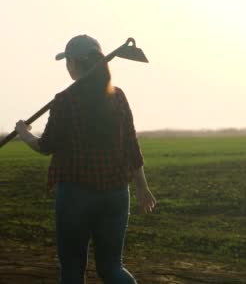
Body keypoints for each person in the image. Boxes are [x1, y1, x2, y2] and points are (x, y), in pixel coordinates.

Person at [15, 35, 156, 284]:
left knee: (72, 269)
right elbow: (131, 147)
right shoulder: (118, 97)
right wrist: (143, 188)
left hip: (75, 195)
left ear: (76, 63)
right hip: (115, 194)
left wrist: (25, 134)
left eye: (67, 61)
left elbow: (45, 146)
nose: (66, 66)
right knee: (112, 268)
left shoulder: (65, 100)